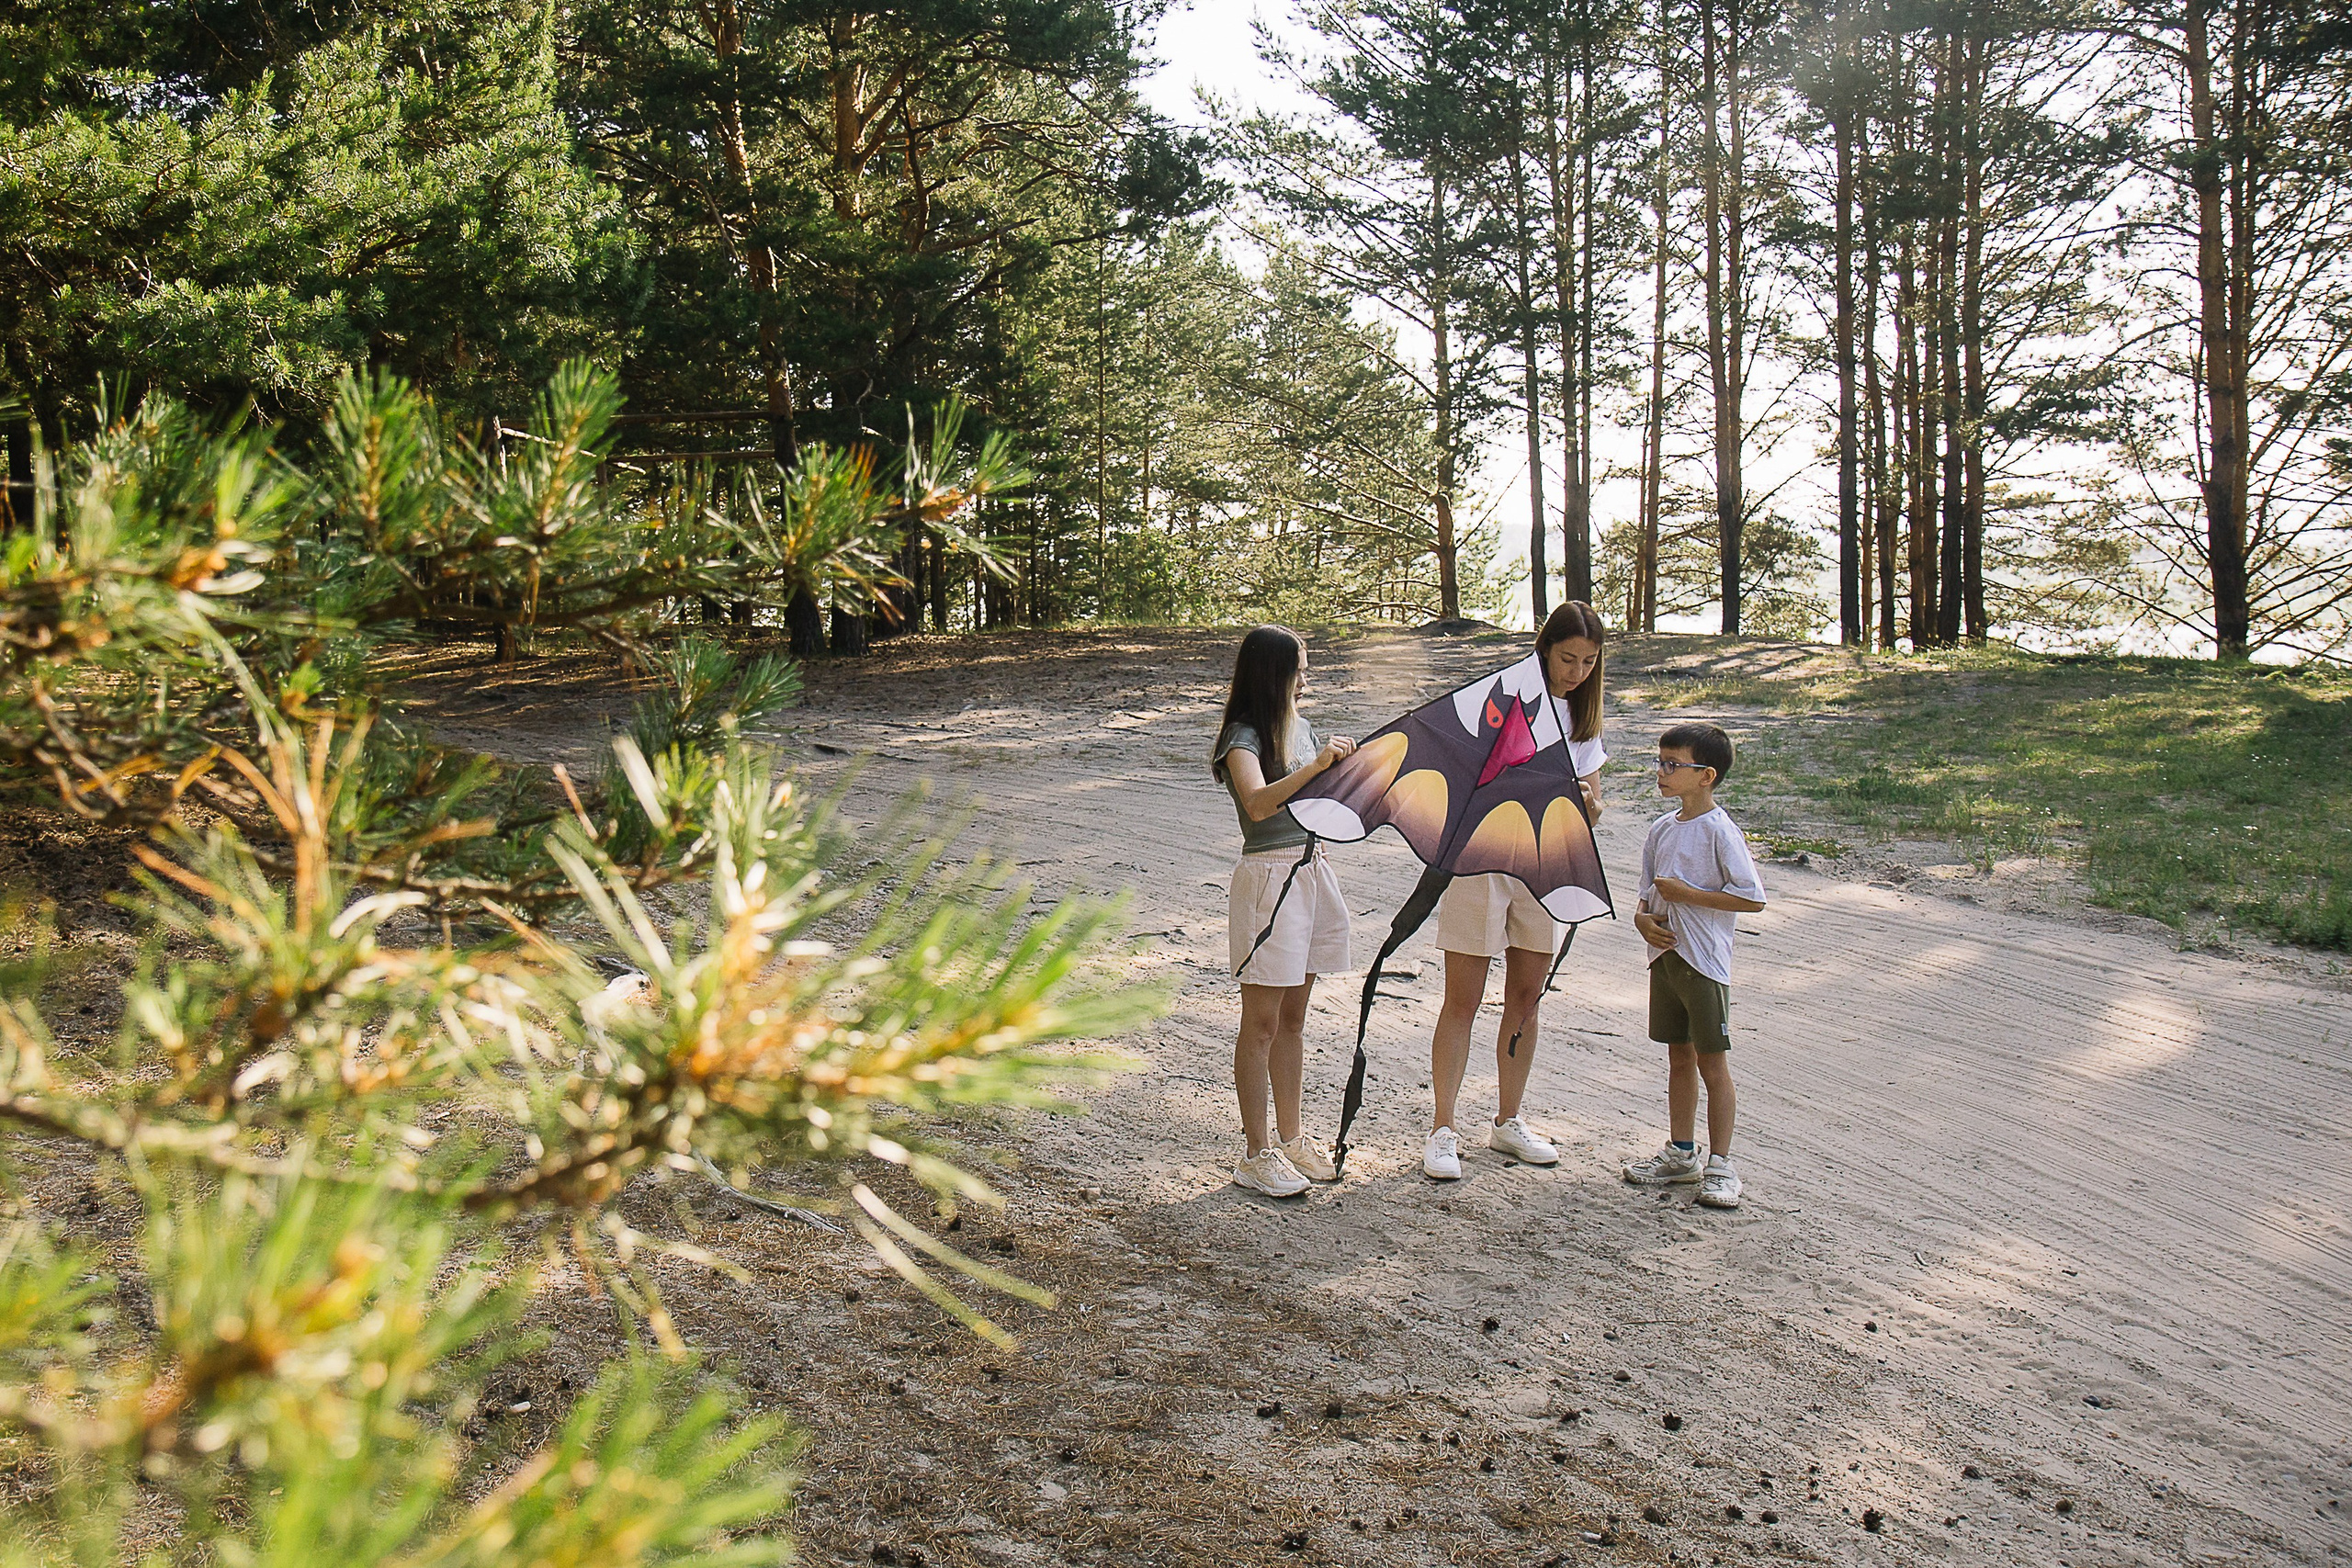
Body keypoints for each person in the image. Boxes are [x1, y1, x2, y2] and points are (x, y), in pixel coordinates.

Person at [1421, 602, 1610, 1181]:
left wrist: (1588, 805)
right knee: (1464, 998)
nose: (1575, 671)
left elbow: (1593, 809)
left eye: (1588, 662)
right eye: (1566, 658)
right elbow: (1458, 777)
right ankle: (1443, 1129)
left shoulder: (1583, 719)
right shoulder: (1505, 697)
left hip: (1542, 865)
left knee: (1526, 996)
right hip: (1481, 862)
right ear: (1544, 649)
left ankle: (1507, 1121)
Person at [1212, 626, 1358, 1198]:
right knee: (1263, 1022)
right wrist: (1318, 766)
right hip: (1269, 876)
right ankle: (1256, 1152)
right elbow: (1257, 800)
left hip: (1310, 869)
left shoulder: (1299, 728)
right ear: (1272, 673)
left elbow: (1321, 796)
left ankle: (1292, 1139)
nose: (1306, 677)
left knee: (1294, 1019)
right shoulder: (1242, 736)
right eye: (1298, 668)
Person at [1623, 721, 1768, 1210]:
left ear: (1706, 775)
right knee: (1677, 1056)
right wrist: (1644, 923)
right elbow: (1645, 896)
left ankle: (1722, 1164)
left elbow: (1752, 899)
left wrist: (1691, 897)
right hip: (1664, 957)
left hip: (1704, 962)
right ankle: (1681, 1153)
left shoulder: (1720, 831)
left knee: (1713, 1062)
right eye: (1660, 763)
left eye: (1672, 765)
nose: (1660, 773)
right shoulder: (1661, 829)